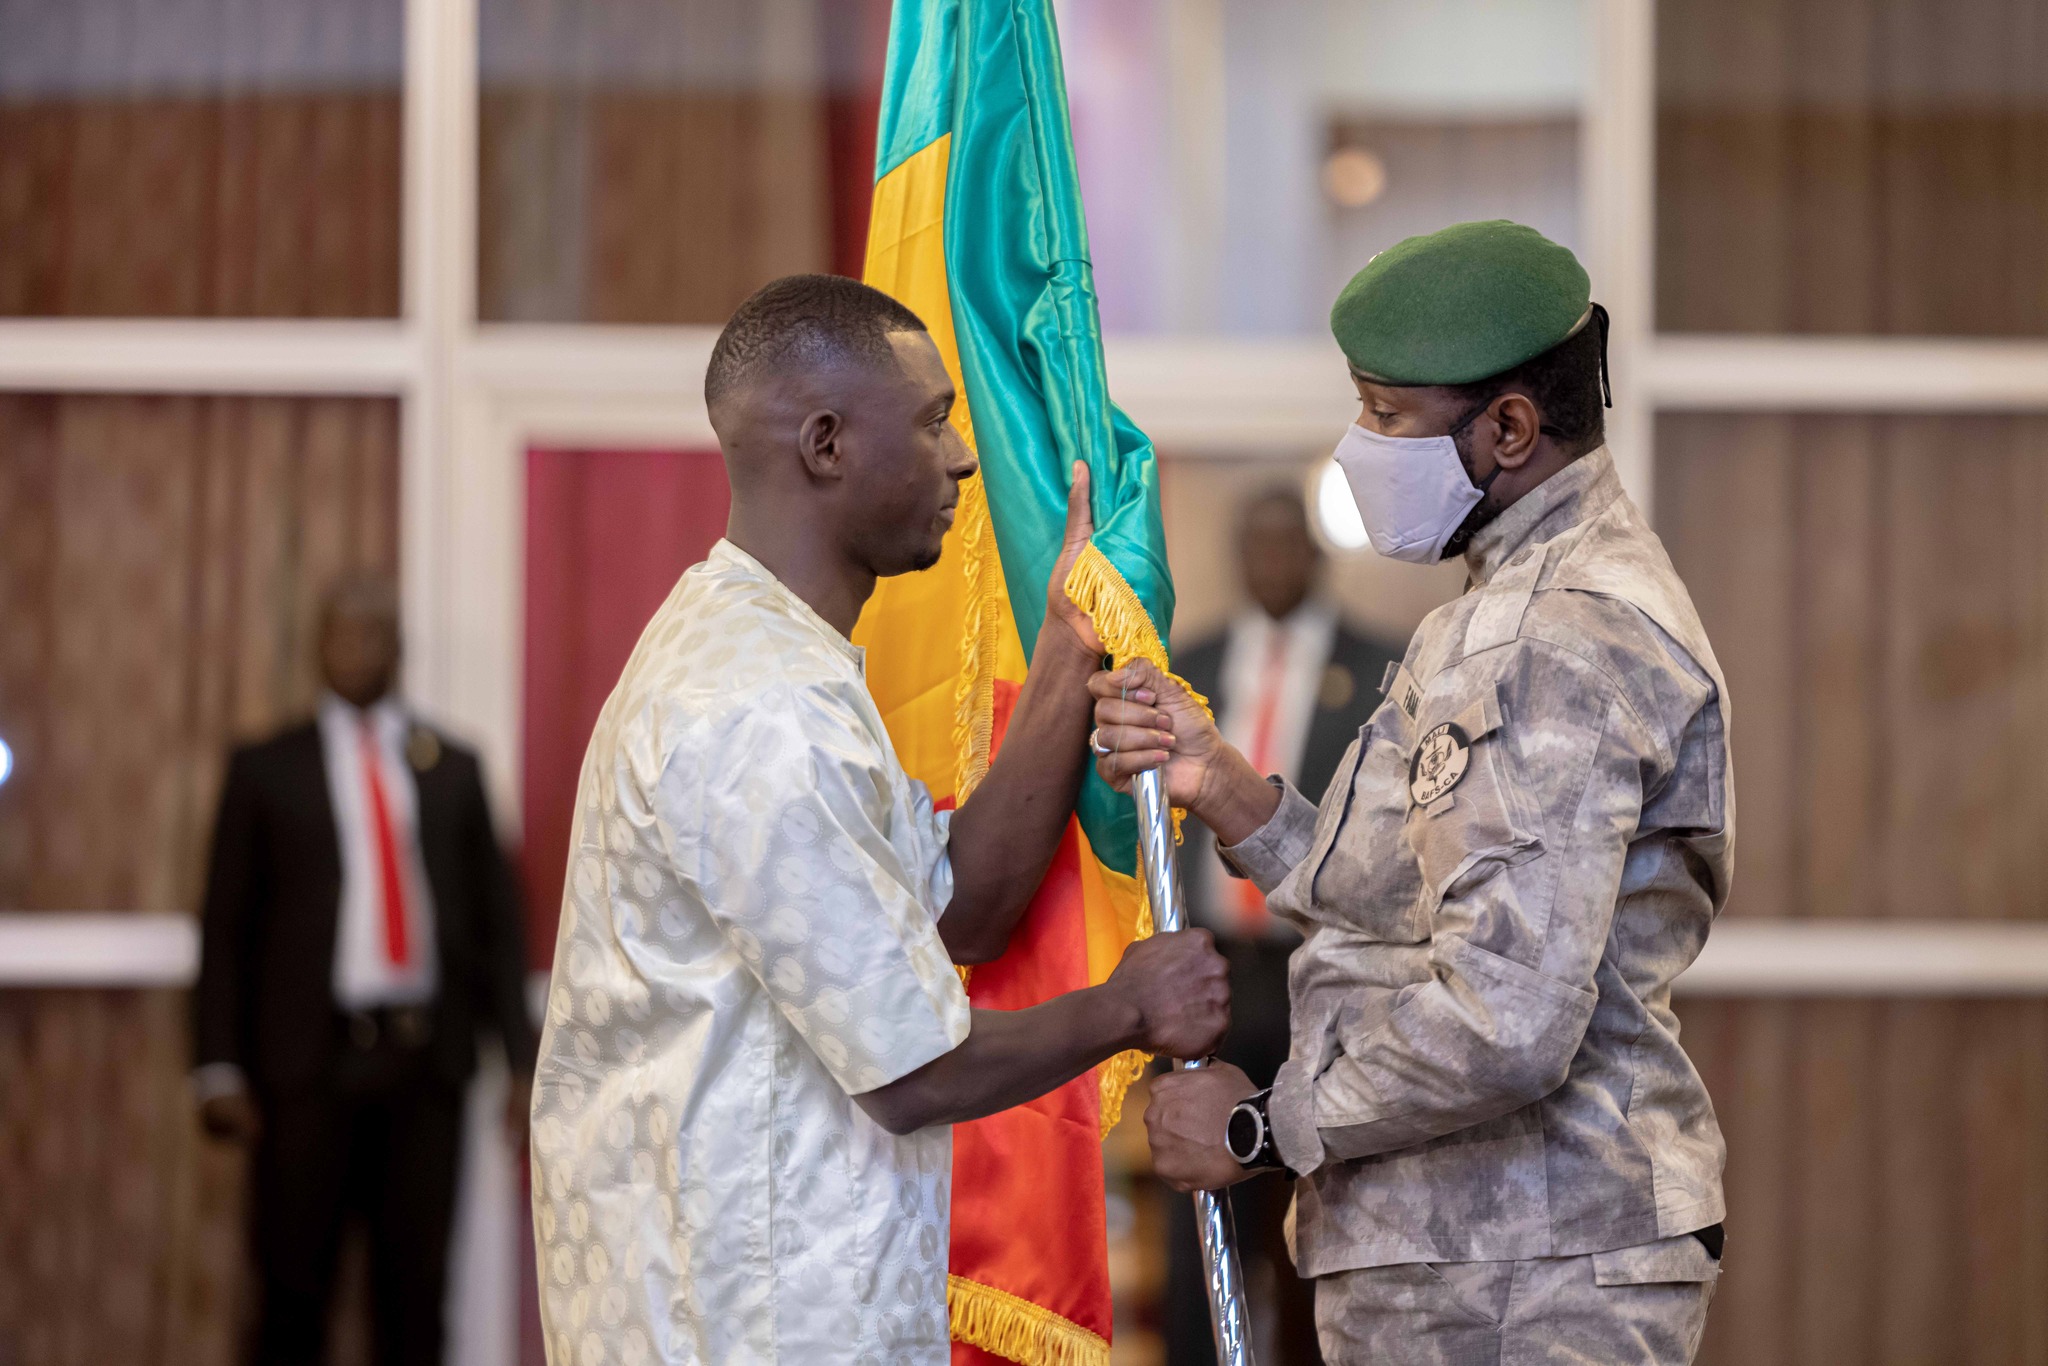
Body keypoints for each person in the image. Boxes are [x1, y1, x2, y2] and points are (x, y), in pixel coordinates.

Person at [528, 274, 1230, 1366]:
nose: (960, 458)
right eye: (933, 421)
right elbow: (913, 1072)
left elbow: (959, 911)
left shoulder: (772, 660)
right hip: (742, 1329)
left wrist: (1063, 651)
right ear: (823, 443)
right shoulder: (759, 707)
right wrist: (1130, 1004)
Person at [1093, 221, 1733, 1364]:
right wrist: (1221, 785)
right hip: (1476, 1254)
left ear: (1508, 428)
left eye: (1387, 415)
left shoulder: (1554, 634)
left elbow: (1508, 1014)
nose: (1357, 447)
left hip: (1522, 1273)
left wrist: (1262, 1123)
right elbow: (1396, 889)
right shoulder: (1496, 612)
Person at [192, 574, 537, 1366]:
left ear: (400, 647)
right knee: (291, 1294)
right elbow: (226, 929)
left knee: (415, 1299)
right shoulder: (266, 769)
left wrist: (520, 1059)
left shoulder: (451, 767)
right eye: (343, 632)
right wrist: (217, 1066)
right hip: (307, 1071)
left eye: (375, 632)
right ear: (318, 645)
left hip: (425, 1068)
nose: (358, 647)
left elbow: (496, 926)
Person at [1165, 488, 1399, 1365]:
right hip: (1217, 969)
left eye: (1283, 545)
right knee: (1200, 1204)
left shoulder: (1379, 666)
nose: (1268, 562)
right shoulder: (1197, 659)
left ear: (1312, 554)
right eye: (1251, 546)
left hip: (1319, 969)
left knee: (1314, 1201)